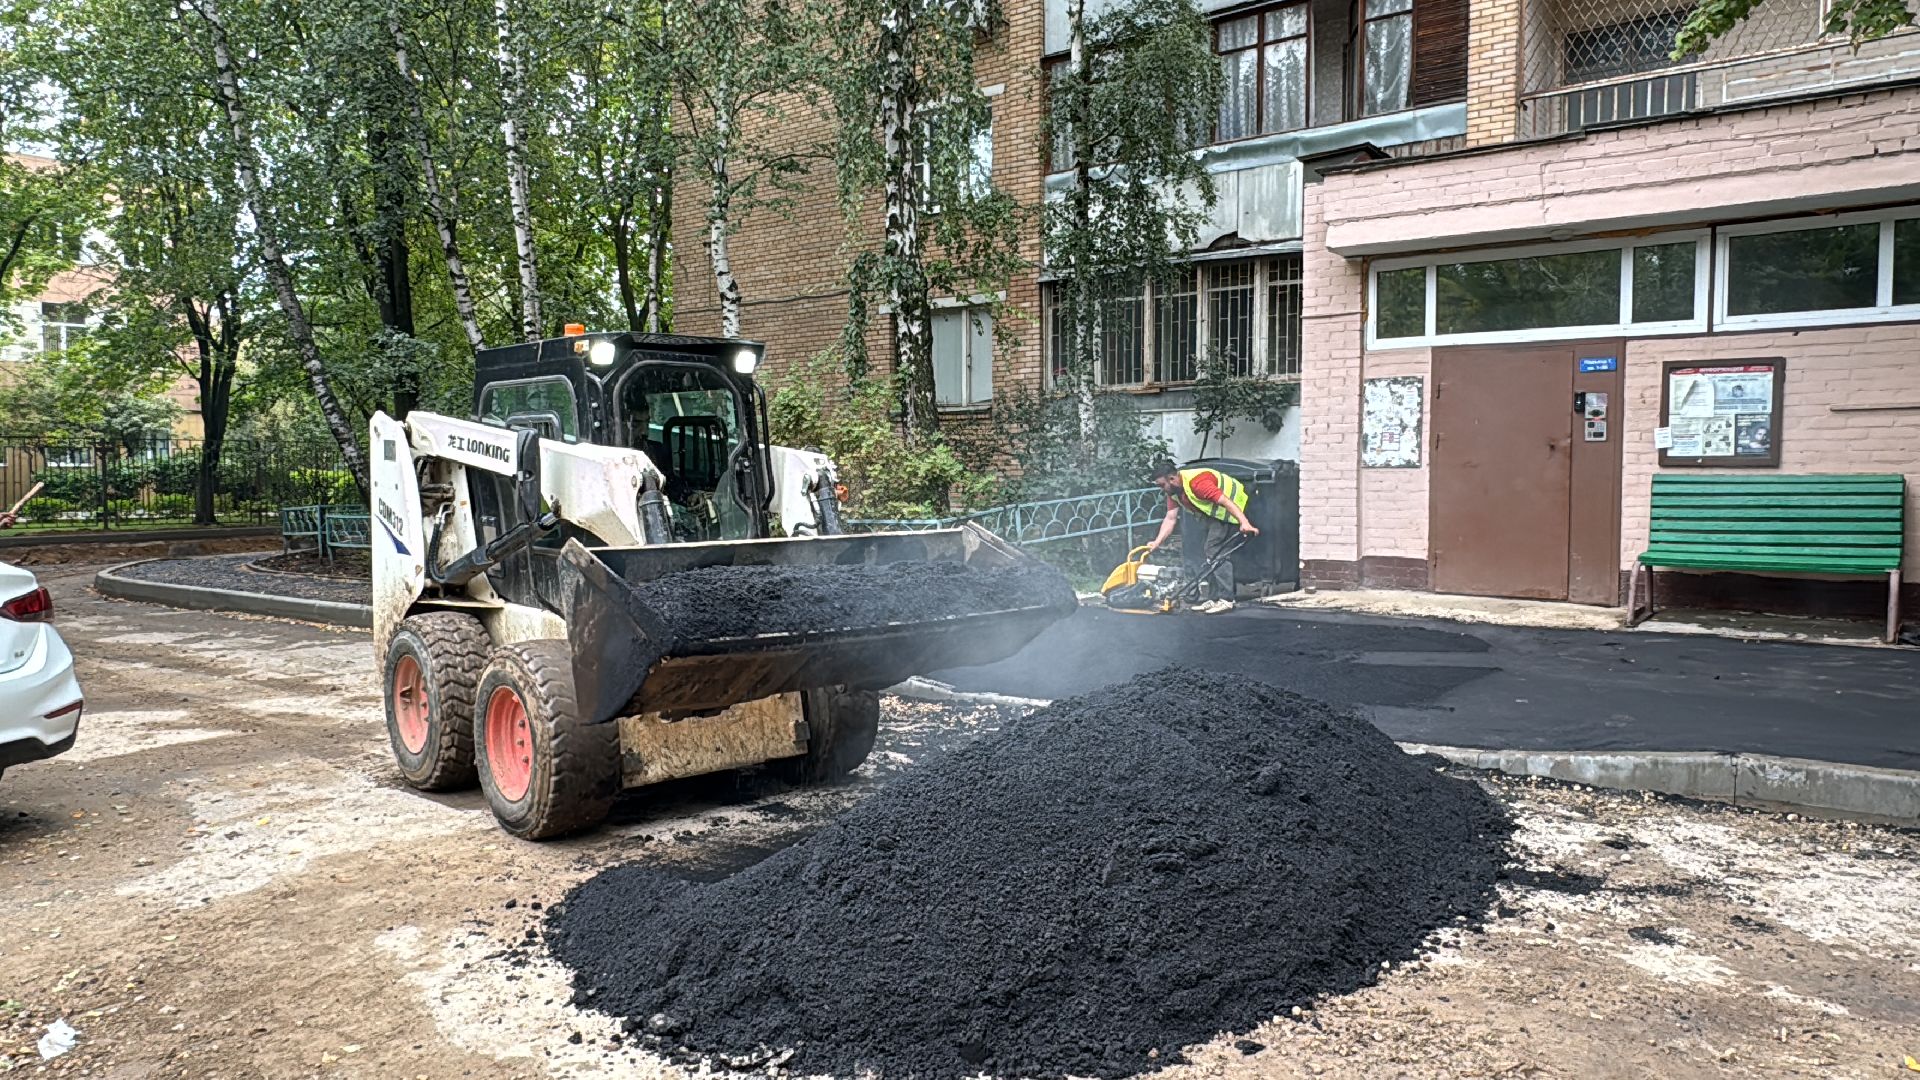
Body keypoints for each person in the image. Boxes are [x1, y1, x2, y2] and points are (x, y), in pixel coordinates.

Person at [1146, 459, 1259, 614]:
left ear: (1172, 479)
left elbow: (1226, 502)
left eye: (1161, 485)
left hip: (1234, 511)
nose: (1162, 489)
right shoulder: (1174, 492)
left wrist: (1244, 523)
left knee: (1215, 552)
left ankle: (1227, 599)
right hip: (1214, 516)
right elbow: (1170, 518)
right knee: (1209, 554)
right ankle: (1213, 599)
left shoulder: (1197, 484)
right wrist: (1157, 542)